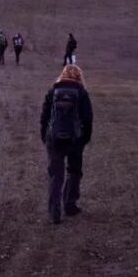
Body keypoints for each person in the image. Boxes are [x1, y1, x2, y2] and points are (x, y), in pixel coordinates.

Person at [40, 64, 93, 224]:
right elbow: (88, 119)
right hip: (75, 138)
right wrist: (84, 138)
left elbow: (44, 117)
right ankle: (70, 204)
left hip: (54, 137)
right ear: (79, 77)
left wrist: (44, 136)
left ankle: (54, 211)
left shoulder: (53, 91)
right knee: (74, 171)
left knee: (56, 175)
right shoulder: (82, 93)